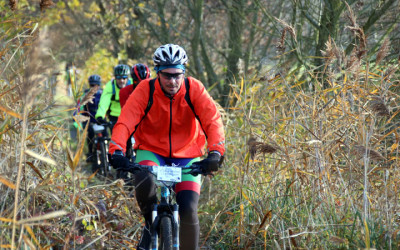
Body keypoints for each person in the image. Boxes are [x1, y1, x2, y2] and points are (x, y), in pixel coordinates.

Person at [109, 44, 225, 250]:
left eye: (177, 75)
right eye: (167, 75)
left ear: (183, 72)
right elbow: (125, 121)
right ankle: (148, 224)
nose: (172, 81)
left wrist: (215, 153)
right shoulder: (145, 89)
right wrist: (116, 149)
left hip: (188, 154)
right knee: (143, 180)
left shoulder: (194, 89)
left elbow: (212, 121)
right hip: (151, 150)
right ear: (157, 73)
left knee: (188, 208)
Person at [119, 63, 151, 160]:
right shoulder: (124, 92)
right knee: (126, 140)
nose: (143, 86)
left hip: (149, 123)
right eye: (138, 82)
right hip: (133, 122)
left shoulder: (156, 89)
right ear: (133, 81)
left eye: (146, 82)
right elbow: (126, 112)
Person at [95, 64, 131, 131]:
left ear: (128, 78)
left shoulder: (132, 84)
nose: (121, 80)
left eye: (124, 77)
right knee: (116, 138)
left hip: (129, 116)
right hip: (114, 117)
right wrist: (100, 116)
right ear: (115, 77)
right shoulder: (110, 86)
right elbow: (104, 102)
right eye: (118, 77)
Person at [81, 75, 103, 167]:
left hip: (100, 119)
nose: (94, 87)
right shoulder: (86, 94)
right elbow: (81, 107)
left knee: (105, 135)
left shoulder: (103, 94)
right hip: (89, 119)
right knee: (90, 135)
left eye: (96, 85)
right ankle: (90, 153)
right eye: (92, 85)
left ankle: (107, 153)